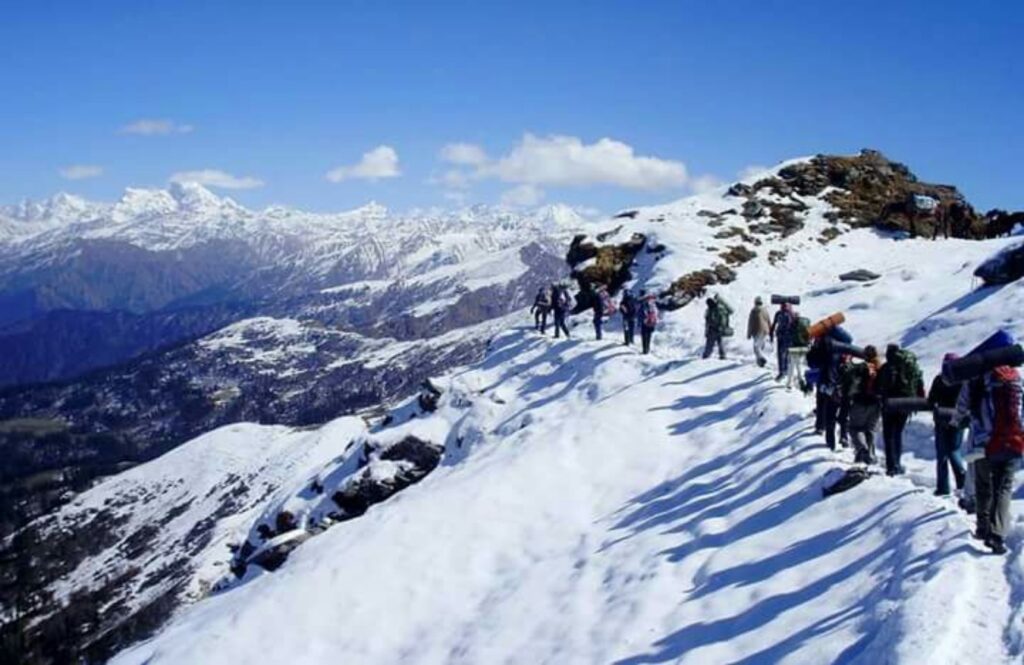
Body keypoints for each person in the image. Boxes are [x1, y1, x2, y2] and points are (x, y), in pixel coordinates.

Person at [956, 364, 1024, 555]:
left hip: (983, 441)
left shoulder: (976, 378)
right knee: (1003, 488)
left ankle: (983, 527)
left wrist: (956, 421)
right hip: (1012, 441)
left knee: (984, 484)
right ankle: (997, 534)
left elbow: (962, 406)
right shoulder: (1015, 377)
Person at [878, 343, 925, 476]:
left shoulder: (886, 368)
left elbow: (878, 387)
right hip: (906, 404)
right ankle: (897, 463)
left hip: (890, 405)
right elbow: (920, 385)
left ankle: (891, 467)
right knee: (897, 433)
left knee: (889, 436)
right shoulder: (911, 366)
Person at [927, 354, 967, 496]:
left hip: (941, 420)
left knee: (942, 455)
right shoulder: (963, 381)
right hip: (958, 419)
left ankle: (943, 488)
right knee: (954, 450)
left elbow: (931, 399)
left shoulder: (939, 379)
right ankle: (962, 480)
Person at [844, 345, 883, 464]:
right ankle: (870, 455)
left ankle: (862, 450)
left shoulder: (861, 367)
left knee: (854, 429)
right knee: (870, 430)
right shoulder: (881, 368)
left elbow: (850, 383)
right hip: (876, 404)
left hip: (860, 402)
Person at [702, 295, 733, 360]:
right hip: (719, 329)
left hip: (714, 329)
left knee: (710, 343)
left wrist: (708, 330)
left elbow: (710, 321)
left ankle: (706, 356)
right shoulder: (719, 308)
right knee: (720, 342)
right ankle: (723, 356)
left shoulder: (715, 310)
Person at [770, 303, 795, 382]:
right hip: (789, 337)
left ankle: (782, 373)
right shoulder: (791, 314)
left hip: (781, 337)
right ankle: (786, 371)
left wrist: (771, 334)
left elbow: (773, 325)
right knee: (786, 354)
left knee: (781, 354)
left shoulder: (779, 313)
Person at [747, 297, 771, 368]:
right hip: (765, 330)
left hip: (757, 330)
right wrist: (770, 330)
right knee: (760, 346)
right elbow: (768, 320)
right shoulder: (765, 310)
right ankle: (759, 361)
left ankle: (761, 359)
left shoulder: (754, 310)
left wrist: (749, 333)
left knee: (756, 347)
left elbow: (751, 323)